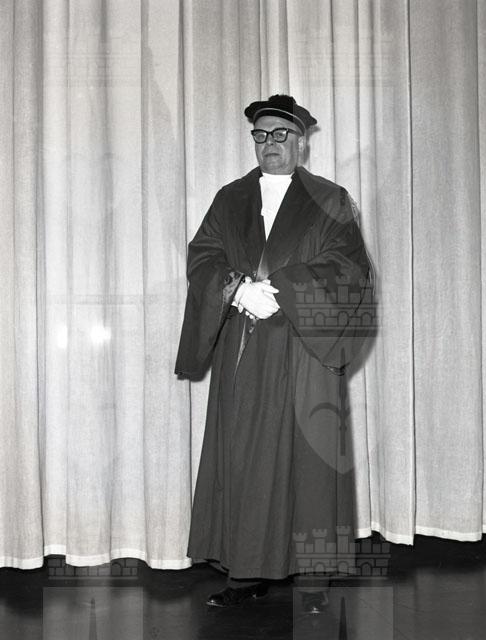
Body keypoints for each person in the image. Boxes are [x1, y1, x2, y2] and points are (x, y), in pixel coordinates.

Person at [175, 94, 374, 613]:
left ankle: (314, 579)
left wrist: (283, 290)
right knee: (245, 460)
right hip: (244, 348)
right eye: (261, 135)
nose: (270, 144)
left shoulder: (330, 199)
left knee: (309, 462)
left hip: (304, 348)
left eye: (281, 135)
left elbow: (350, 268)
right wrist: (238, 289)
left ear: (301, 142)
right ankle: (246, 572)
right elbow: (203, 256)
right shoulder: (230, 198)